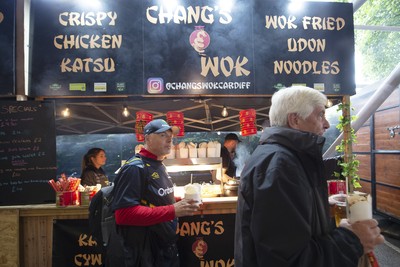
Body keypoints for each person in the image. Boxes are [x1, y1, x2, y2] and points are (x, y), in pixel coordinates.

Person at [235, 86, 384, 267]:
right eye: (320, 115)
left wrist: (319, 203)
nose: (327, 124)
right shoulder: (281, 165)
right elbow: (290, 260)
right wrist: (353, 240)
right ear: (295, 119)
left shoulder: (282, 157)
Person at [111, 119, 199, 267]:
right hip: (146, 253)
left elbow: (156, 197)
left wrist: (180, 201)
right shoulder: (134, 168)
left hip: (164, 249)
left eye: (171, 135)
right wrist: (173, 210)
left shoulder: (159, 165)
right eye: (163, 135)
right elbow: (123, 215)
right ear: (148, 139)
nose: (170, 138)